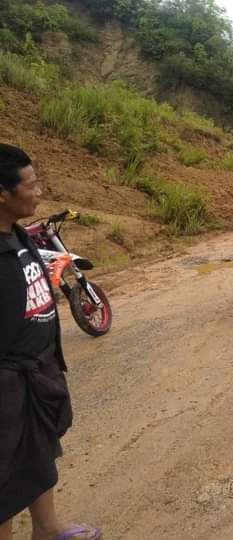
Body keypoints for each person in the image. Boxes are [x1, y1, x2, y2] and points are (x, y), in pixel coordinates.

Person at [0, 144, 102, 540]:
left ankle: (47, 528)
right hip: (8, 380)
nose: (39, 191)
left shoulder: (19, 234)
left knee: (39, 453)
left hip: (38, 367)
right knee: (4, 469)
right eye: (31, 184)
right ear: (3, 194)